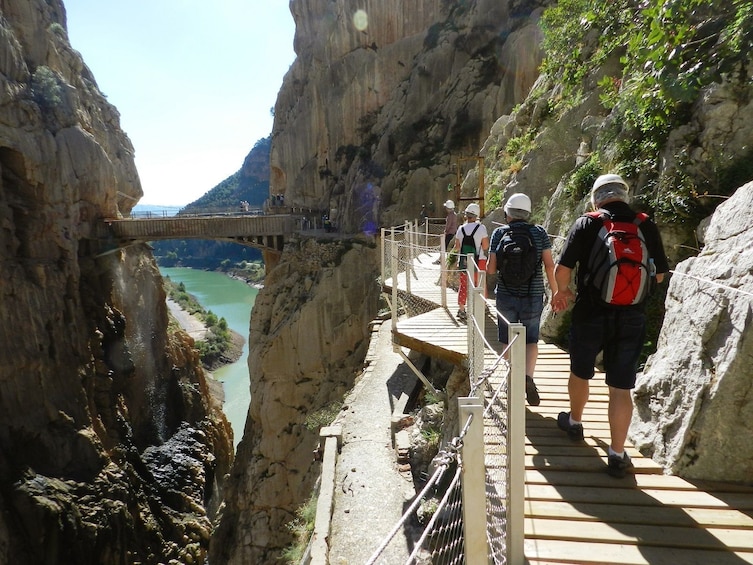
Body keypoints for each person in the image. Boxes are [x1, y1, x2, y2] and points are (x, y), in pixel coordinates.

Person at [551, 174, 669, 478]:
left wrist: (562, 292)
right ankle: (617, 454)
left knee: (580, 370)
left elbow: (563, 269)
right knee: (621, 386)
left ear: (596, 198)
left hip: (591, 312)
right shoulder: (645, 224)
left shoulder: (587, 223)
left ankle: (575, 422)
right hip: (632, 315)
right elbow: (658, 276)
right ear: (623, 196)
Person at [486, 193, 556, 406]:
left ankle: (511, 379)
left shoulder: (499, 233)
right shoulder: (539, 233)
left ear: (507, 213)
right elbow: (549, 265)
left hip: (506, 294)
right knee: (531, 339)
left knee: (507, 340)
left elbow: (490, 268)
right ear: (527, 213)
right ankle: (528, 377)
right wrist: (555, 293)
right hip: (533, 295)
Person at [453, 203, 489, 322]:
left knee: (464, 285)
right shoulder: (481, 228)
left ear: (466, 215)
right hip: (480, 261)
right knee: (480, 284)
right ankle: (482, 307)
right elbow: (485, 246)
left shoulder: (461, 229)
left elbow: (457, 247)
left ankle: (462, 309)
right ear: (477, 215)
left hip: (464, 262)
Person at [434, 199, 458, 264]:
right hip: (454, 233)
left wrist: (445, 231)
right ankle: (447, 260)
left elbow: (448, 225)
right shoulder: (455, 214)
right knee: (449, 247)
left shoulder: (450, 216)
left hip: (449, 233)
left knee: (444, 247)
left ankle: (440, 260)